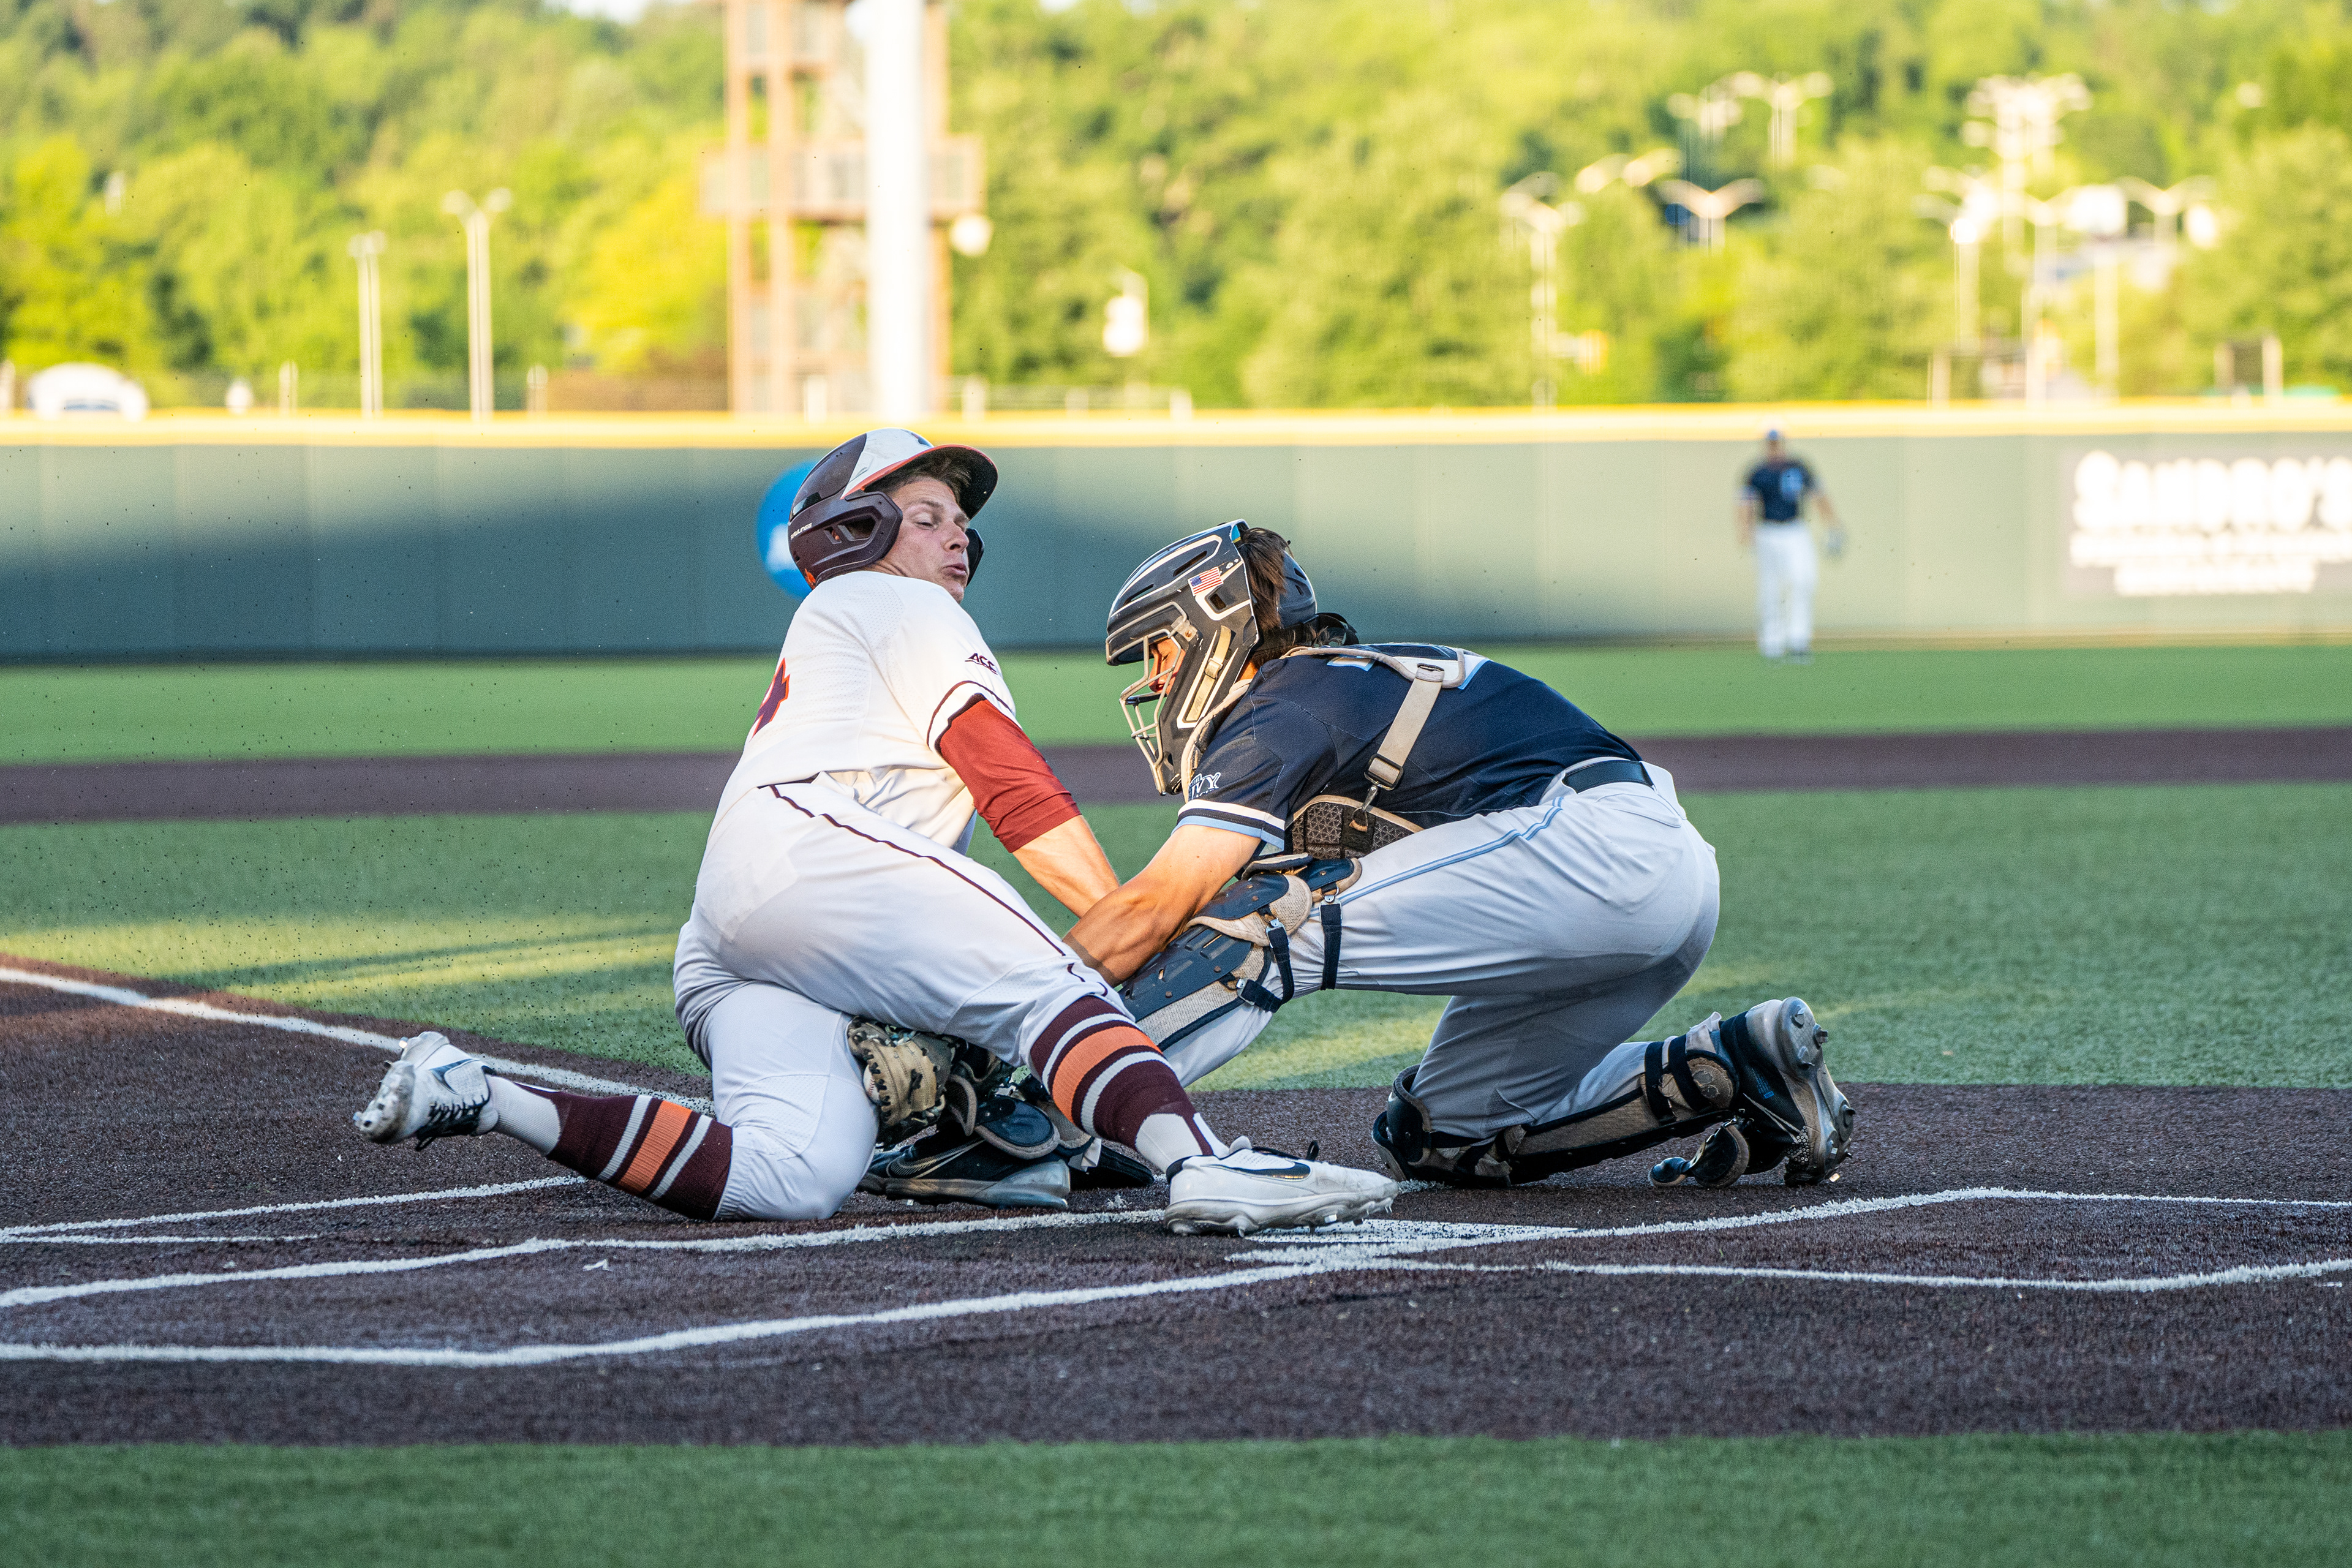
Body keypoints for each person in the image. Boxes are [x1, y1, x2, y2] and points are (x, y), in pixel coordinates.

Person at [353, 431, 1397, 1236]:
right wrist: (1130, 916)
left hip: (731, 934)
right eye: (929, 515)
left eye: (963, 523)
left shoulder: (848, 619)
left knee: (792, 1175)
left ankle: (483, 1095)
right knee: (1052, 987)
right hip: (814, 856)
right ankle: (1200, 1163)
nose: (959, 538)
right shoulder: (897, 604)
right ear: (854, 531)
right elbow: (1009, 782)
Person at [1061, 522, 1853, 1193]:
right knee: (1443, 1135)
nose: (1156, 677)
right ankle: (1736, 1064)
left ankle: (1048, 1112)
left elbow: (1160, 905)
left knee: (1267, 921)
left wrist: (1032, 1024)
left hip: (1598, 855)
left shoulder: (1281, 704)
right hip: (1642, 870)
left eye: (1162, 649)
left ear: (1215, 633)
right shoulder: (1324, 687)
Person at [1738, 428, 1844, 663]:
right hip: (1767, 531)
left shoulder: (1799, 467)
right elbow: (1746, 503)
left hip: (1795, 530)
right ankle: (1772, 643)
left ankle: (1799, 640)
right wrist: (1746, 530)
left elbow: (1819, 495)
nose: (1774, 447)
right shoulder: (1757, 472)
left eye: (1777, 443)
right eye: (1770, 443)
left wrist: (1832, 525)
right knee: (1770, 588)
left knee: (1803, 581)